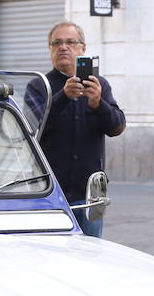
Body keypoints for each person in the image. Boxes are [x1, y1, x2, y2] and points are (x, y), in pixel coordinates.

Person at [33, 21, 126, 238]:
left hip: (89, 194)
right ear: (50, 50)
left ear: (83, 48)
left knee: (90, 254)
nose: (63, 47)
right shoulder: (39, 85)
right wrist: (63, 98)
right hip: (50, 193)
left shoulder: (99, 84)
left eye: (70, 42)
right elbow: (33, 129)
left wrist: (97, 104)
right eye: (56, 43)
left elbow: (117, 127)